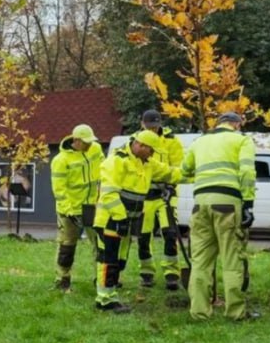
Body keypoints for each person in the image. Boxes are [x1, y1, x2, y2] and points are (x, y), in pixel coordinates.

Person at [180, 110, 257, 321]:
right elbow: (247, 172)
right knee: (232, 259)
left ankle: (199, 312)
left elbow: (185, 169)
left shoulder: (199, 141)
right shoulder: (242, 140)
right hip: (228, 204)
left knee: (200, 262)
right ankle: (235, 312)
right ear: (237, 125)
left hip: (200, 204)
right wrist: (248, 204)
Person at [92, 129, 179, 313]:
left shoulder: (146, 163)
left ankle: (109, 295)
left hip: (125, 220)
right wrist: (120, 218)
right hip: (110, 220)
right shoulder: (116, 161)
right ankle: (105, 299)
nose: (152, 154)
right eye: (151, 150)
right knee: (108, 259)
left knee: (118, 259)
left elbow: (170, 173)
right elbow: (109, 194)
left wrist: (200, 173)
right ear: (140, 145)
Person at [49, 123, 104, 291]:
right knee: (67, 246)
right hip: (70, 210)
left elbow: (104, 169)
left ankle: (101, 278)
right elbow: (59, 190)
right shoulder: (61, 160)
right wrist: (69, 211)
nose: (89, 144)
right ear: (76, 141)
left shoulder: (95, 149)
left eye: (90, 141)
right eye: (86, 142)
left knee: (99, 244)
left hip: (92, 206)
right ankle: (62, 280)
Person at [135, 110, 185, 290]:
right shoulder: (136, 141)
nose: (153, 130)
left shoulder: (171, 141)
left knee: (170, 233)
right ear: (142, 124)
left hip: (166, 195)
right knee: (143, 236)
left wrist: (171, 186)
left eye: (155, 127)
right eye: (149, 127)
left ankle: (172, 273)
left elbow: (178, 167)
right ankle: (146, 272)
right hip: (144, 196)